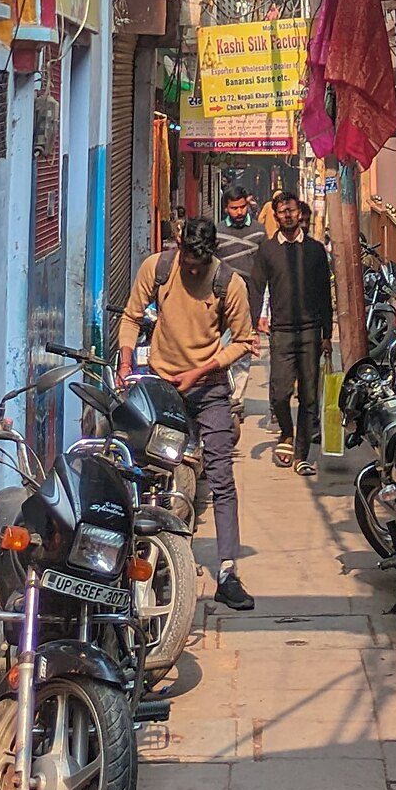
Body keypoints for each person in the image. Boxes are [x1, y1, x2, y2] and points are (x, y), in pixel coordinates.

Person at [118, 215, 261, 611]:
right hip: (161, 384)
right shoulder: (159, 267)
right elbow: (132, 317)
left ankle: (229, 571)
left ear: (210, 256)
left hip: (208, 386)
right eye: (186, 261)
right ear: (179, 247)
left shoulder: (228, 284)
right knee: (148, 470)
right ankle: (148, 560)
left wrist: (201, 370)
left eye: (198, 265)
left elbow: (244, 341)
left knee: (220, 475)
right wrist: (127, 360)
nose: (191, 270)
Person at [250, 190, 334, 475]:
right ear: (276, 216)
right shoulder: (267, 250)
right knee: (280, 393)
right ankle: (286, 432)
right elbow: (257, 288)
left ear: (300, 213)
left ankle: (302, 454)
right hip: (281, 332)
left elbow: (325, 293)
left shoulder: (315, 250)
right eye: (282, 212)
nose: (288, 215)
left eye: (292, 210)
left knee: (309, 396)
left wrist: (326, 333)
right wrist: (252, 327)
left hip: (311, 331)